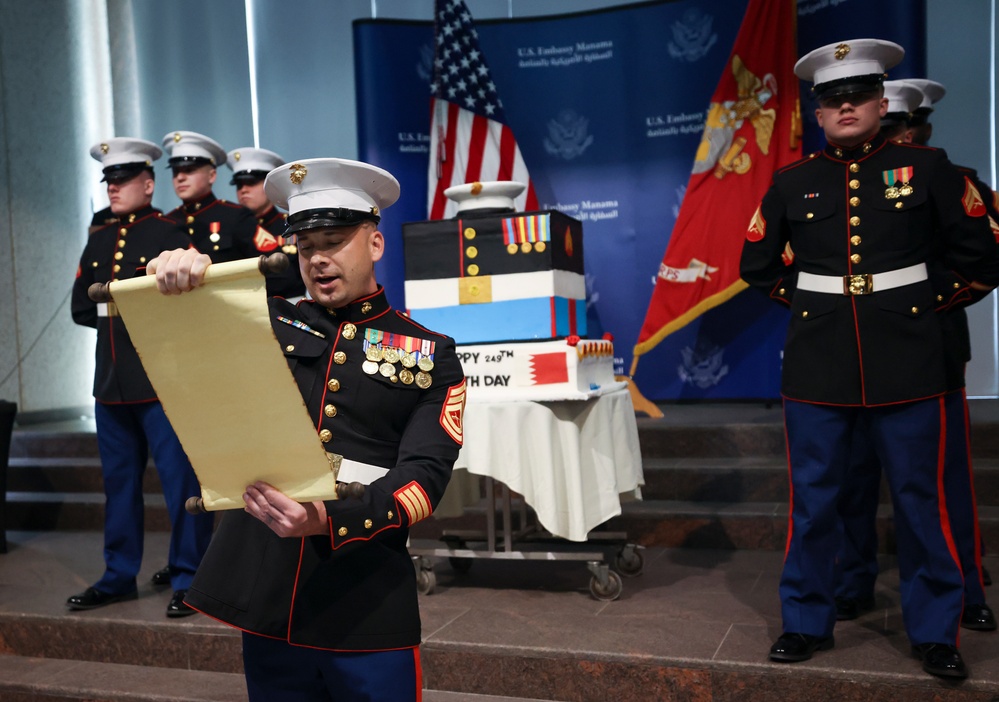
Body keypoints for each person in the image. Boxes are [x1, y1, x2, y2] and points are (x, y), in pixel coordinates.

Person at [147, 157, 467, 701]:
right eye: (306, 245)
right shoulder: (263, 323)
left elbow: (423, 479)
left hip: (365, 597)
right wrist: (181, 271)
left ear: (375, 244)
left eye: (336, 240)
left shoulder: (430, 353)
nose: (318, 259)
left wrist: (327, 518)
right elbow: (183, 341)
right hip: (268, 594)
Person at [740, 38, 999, 679]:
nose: (846, 106)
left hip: (911, 359)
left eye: (858, 95)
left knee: (922, 501)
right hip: (817, 364)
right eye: (833, 99)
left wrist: (926, 305)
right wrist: (815, 307)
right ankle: (805, 621)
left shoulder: (931, 168)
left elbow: (982, 255)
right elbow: (758, 264)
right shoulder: (791, 183)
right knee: (815, 503)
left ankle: (937, 631)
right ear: (819, 114)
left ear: (882, 102)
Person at [835, 78, 999, 631]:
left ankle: (966, 587)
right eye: (895, 131)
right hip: (856, 352)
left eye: (907, 130)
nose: (899, 142)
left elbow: (981, 259)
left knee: (941, 481)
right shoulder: (845, 184)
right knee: (853, 478)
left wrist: (932, 305)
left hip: (932, 349)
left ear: (918, 129)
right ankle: (852, 581)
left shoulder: (952, 180)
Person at [68, 138, 214, 618]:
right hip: (110, 382)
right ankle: (117, 575)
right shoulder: (97, 238)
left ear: (147, 184)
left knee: (181, 487)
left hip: (160, 380)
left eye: (122, 180)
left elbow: (196, 302)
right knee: (119, 487)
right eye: (108, 181)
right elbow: (80, 307)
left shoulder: (170, 233)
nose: (112, 188)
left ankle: (190, 576)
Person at [160, 130, 270, 264]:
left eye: (189, 170)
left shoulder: (235, 217)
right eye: (175, 172)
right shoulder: (169, 221)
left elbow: (272, 269)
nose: (180, 178)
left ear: (211, 176)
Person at [226, 146, 305, 298]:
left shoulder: (289, 225)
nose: (243, 190)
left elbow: (289, 279)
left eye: (251, 182)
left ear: (269, 186)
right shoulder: (231, 229)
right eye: (239, 184)